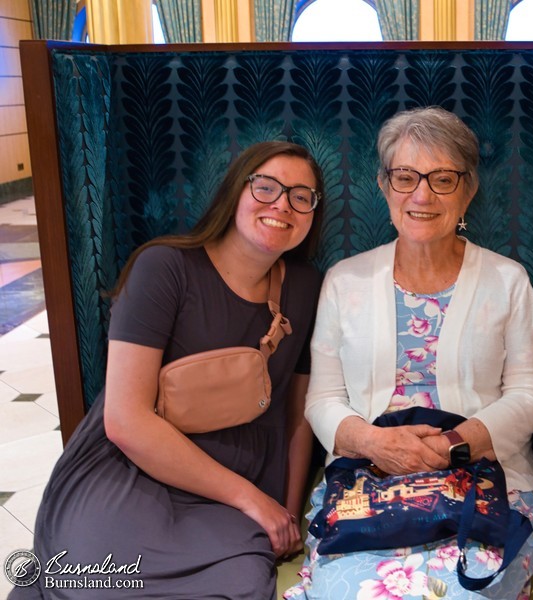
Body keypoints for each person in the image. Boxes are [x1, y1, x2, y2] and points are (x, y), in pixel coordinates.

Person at [13, 142, 325, 599]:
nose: (282, 204)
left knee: (238, 589)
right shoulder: (164, 268)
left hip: (242, 478)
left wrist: (288, 512)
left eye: (302, 196)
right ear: (234, 192)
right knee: (96, 583)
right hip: (134, 471)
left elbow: (296, 412)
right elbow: (125, 420)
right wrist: (251, 500)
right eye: (266, 187)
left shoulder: (307, 287)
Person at [284, 106, 533, 600]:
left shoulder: (507, 279)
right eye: (405, 177)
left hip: (489, 483)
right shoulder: (346, 280)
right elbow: (322, 399)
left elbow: (526, 395)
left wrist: (450, 446)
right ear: (384, 185)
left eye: (442, 178)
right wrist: (376, 445)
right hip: (368, 487)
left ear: (468, 189)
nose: (422, 195)